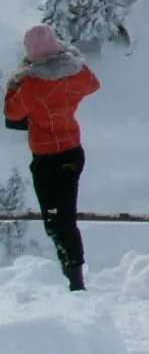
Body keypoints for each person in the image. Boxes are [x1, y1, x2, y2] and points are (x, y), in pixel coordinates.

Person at [5, 25, 100, 291]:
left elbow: (11, 114)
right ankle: (75, 276)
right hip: (72, 149)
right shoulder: (73, 74)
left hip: (46, 156)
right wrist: (69, 57)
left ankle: (74, 279)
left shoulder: (30, 84)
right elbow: (92, 83)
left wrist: (15, 81)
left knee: (56, 220)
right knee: (65, 217)